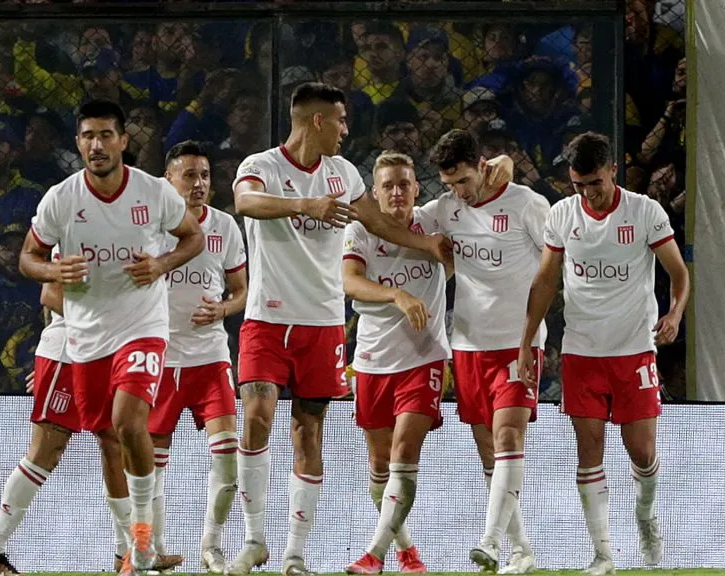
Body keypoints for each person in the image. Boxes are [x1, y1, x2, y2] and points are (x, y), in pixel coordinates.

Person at [227, 82, 508, 576]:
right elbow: (246, 202)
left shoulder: (344, 174)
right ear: (318, 120)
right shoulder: (262, 165)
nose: (345, 130)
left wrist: (428, 246)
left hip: (324, 325)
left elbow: (380, 223)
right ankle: (254, 541)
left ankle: (296, 554)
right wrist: (305, 206)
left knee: (309, 432)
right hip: (268, 318)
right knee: (256, 416)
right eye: (340, 120)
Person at [19, 99, 204, 576]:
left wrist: (160, 264)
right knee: (107, 437)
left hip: (142, 327)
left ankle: (142, 542)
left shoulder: (154, 192)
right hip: (87, 336)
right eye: (88, 136)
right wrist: (53, 270)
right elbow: (28, 258)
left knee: (128, 421)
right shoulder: (61, 199)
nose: (96, 145)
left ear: (123, 141)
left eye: (105, 135)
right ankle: (131, 551)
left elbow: (192, 237)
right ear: (78, 143)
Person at [517, 132, 690, 575]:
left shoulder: (644, 212)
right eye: (578, 185)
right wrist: (526, 342)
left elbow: (678, 272)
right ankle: (603, 554)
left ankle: (646, 518)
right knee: (588, 450)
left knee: (641, 453)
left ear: (613, 170)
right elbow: (545, 281)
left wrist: (674, 313)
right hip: (582, 351)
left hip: (634, 349)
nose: (588, 193)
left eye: (595, 183)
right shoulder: (562, 215)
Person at [420, 128, 548, 575]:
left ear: (482, 166)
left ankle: (489, 541)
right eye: (449, 183)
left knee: (509, 436)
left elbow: (554, 264)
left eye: (464, 180)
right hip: (468, 345)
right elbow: (400, 220)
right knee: (486, 447)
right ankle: (521, 549)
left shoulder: (526, 203)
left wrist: (531, 337)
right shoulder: (445, 209)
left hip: (518, 344)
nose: (459, 191)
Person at [0, 280, 132, 575]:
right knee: (46, 450)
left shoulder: (122, 251)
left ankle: (125, 554)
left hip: (102, 357)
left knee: (114, 443)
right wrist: (60, 352)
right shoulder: (77, 248)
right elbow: (51, 293)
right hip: (69, 356)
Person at [342, 152, 450, 575]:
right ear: (375, 192)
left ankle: (374, 554)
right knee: (379, 465)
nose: (397, 192)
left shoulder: (434, 220)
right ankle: (406, 551)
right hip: (372, 360)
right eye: (387, 186)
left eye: (404, 184)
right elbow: (349, 281)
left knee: (405, 451)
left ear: (417, 188)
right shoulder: (361, 229)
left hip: (424, 357)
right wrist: (397, 295)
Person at [147, 141, 248, 573]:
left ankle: (212, 545)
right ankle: (154, 547)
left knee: (227, 455)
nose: (199, 183)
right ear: (168, 180)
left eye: (205, 175)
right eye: (189, 175)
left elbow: (242, 292)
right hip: (161, 359)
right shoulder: (150, 227)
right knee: (151, 465)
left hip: (210, 358)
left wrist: (222, 309)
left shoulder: (225, 226)